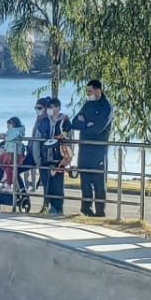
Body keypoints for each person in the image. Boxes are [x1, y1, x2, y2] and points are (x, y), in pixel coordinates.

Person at [72, 79, 114, 217]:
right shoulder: (87, 105)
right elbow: (75, 123)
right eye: (87, 91)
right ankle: (86, 209)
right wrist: (87, 124)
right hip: (84, 150)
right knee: (85, 182)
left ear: (98, 90)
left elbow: (98, 128)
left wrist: (86, 124)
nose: (88, 94)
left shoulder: (106, 107)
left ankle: (100, 212)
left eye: (90, 91)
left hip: (98, 151)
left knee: (99, 184)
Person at [37, 97, 72, 216]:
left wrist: (67, 158)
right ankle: (47, 206)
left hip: (59, 158)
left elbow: (69, 139)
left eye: (52, 107)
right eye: (48, 107)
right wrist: (38, 157)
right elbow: (38, 139)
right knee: (47, 184)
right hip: (45, 157)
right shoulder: (44, 121)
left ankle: (57, 208)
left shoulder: (65, 121)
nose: (49, 110)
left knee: (57, 184)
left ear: (58, 108)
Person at [0, 117, 26, 189]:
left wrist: (4, 137)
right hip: (9, 151)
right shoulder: (12, 131)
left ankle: (9, 184)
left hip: (13, 152)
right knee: (0, 161)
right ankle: (6, 176)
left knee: (9, 167)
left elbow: (10, 138)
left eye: (9, 124)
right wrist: (5, 135)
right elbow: (9, 136)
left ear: (13, 124)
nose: (7, 126)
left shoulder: (16, 131)